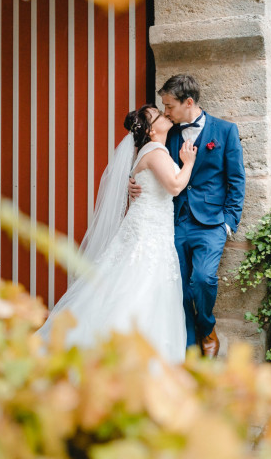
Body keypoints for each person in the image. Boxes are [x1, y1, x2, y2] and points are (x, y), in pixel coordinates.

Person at [37, 104, 197, 363]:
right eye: (158, 114)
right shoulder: (155, 151)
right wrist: (188, 162)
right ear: (151, 129)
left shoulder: (149, 151)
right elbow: (175, 186)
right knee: (141, 289)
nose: (165, 115)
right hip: (148, 236)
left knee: (134, 286)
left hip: (149, 230)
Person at [128, 74, 246, 358]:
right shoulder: (167, 134)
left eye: (169, 106)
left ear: (188, 102)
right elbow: (152, 165)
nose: (166, 112)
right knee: (177, 285)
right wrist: (135, 183)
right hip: (175, 221)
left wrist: (229, 221)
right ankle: (189, 349)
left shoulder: (225, 131)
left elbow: (237, 179)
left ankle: (207, 328)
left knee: (204, 279)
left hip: (211, 223)